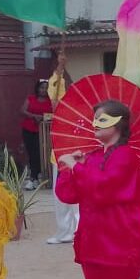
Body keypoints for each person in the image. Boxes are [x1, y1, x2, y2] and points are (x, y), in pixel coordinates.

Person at [55, 100, 140, 279]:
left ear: (118, 123)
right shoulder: (93, 157)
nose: (95, 124)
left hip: (119, 239)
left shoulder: (125, 156)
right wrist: (67, 168)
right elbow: (68, 194)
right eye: (94, 118)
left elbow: (103, 189)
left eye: (102, 119)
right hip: (93, 239)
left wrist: (77, 168)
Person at [46, 51, 79, 245]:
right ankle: (64, 232)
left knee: (79, 198)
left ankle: (79, 232)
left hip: (78, 157)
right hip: (59, 157)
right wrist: (60, 67)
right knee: (60, 196)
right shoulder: (61, 109)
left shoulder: (86, 112)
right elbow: (55, 92)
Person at [20, 80, 53, 191]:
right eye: (42, 88)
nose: (44, 90)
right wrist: (33, 116)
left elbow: (53, 115)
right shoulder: (31, 99)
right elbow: (22, 111)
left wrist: (44, 118)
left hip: (43, 131)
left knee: (40, 154)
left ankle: (36, 177)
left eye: (46, 88)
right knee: (31, 153)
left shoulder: (51, 101)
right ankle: (33, 178)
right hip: (28, 129)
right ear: (38, 88)